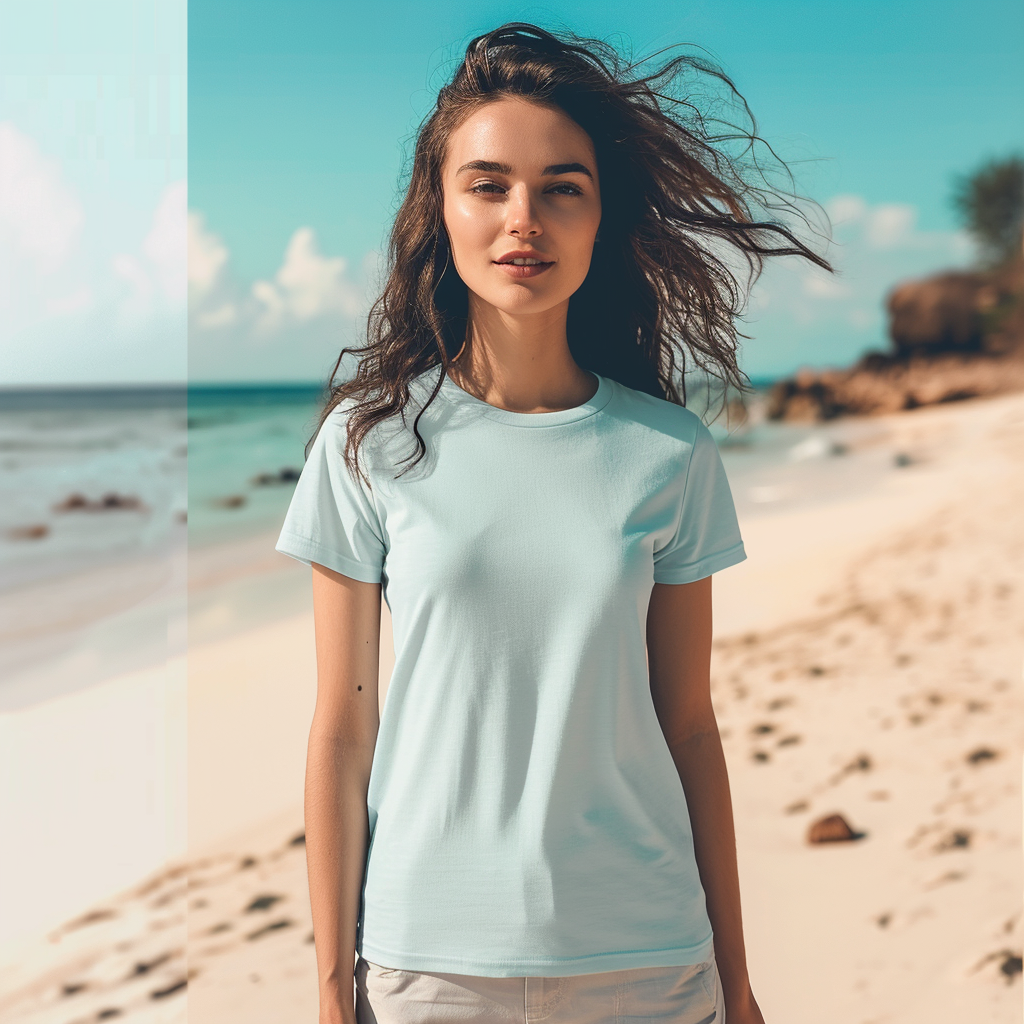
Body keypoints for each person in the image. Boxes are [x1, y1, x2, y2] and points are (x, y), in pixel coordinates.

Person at [275, 22, 832, 1024]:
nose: (521, 216)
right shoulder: (368, 447)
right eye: (487, 183)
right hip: (425, 966)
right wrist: (329, 990)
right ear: (437, 210)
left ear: (597, 216)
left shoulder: (668, 454)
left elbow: (690, 726)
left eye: (559, 186)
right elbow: (342, 733)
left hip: (649, 958)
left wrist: (737, 980)